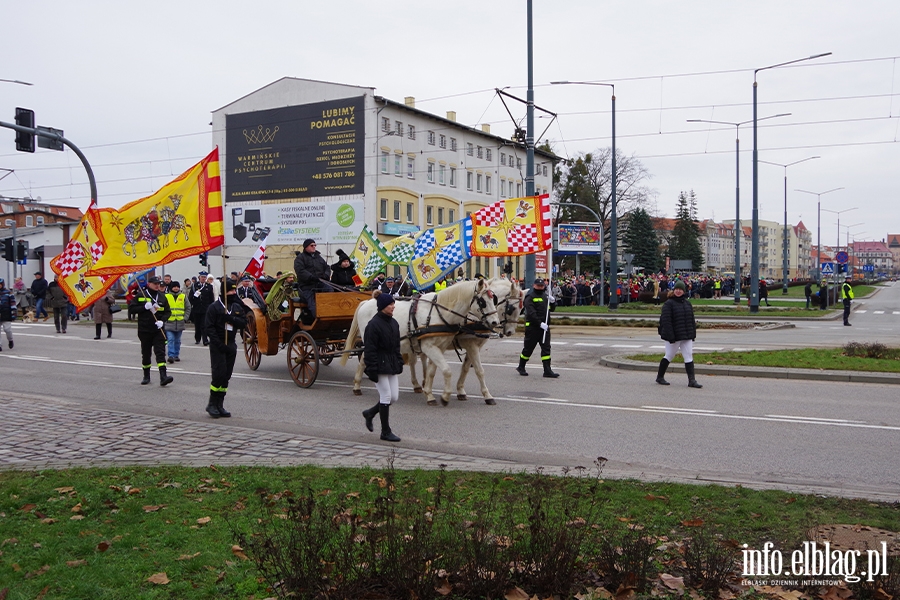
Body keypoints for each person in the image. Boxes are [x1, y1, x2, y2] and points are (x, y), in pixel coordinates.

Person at [361, 291, 403, 442]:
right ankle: (385, 432)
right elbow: (369, 349)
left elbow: (397, 346)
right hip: (379, 364)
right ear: (382, 306)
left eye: (393, 304)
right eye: (390, 304)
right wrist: (371, 368)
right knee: (385, 396)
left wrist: (399, 361)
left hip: (391, 363)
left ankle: (370, 412)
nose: (393, 307)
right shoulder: (373, 325)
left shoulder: (394, 323)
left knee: (394, 397)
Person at [205, 279, 247, 418]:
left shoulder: (235, 307)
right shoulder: (214, 307)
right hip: (218, 345)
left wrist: (230, 319)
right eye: (230, 290)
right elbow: (209, 328)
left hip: (231, 345)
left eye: (234, 290)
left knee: (226, 376)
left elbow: (243, 323)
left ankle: (220, 404)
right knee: (218, 375)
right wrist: (219, 344)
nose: (233, 293)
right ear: (224, 292)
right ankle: (212, 403)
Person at [656, 280, 702, 388]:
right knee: (669, 355)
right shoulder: (669, 304)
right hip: (673, 336)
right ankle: (660, 376)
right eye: (676, 289)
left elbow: (691, 320)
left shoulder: (687, 303)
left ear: (684, 291)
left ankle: (692, 380)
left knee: (688, 355)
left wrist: (693, 334)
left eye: (680, 290)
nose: (678, 291)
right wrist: (670, 336)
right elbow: (666, 321)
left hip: (686, 336)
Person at [130, 276, 174, 386]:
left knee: (160, 352)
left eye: (158, 283)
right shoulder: (141, 295)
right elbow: (131, 309)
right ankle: (146, 376)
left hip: (158, 330)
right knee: (146, 353)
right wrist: (143, 307)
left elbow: (168, 312)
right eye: (155, 283)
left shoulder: (162, 297)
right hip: (144, 330)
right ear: (149, 284)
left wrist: (162, 321)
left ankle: (163, 376)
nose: (157, 285)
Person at [516, 278, 559, 378]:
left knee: (546, 349)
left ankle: (547, 370)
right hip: (533, 328)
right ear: (534, 286)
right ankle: (521, 366)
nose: (540, 287)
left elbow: (550, 310)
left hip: (544, 328)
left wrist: (553, 302)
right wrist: (540, 323)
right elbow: (531, 313)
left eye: (542, 286)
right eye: (538, 286)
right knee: (528, 348)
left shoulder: (545, 296)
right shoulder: (530, 297)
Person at [293, 239, 331, 322]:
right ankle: (318, 320)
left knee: (330, 290)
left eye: (315, 245)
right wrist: (311, 277)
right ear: (306, 247)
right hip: (307, 287)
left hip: (320, 284)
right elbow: (300, 271)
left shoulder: (319, 257)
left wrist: (326, 275)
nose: (314, 247)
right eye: (312, 245)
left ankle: (331, 314)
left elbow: (327, 267)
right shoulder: (300, 258)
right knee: (312, 304)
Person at [164, 281, 191, 362]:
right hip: (169, 322)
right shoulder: (167, 296)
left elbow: (188, 307)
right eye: (174, 287)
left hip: (179, 322)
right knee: (170, 339)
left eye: (177, 287)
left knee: (177, 340)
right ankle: (171, 355)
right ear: (171, 288)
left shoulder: (183, 296)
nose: (176, 288)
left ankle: (176, 355)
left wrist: (185, 318)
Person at [188, 271, 214, 345]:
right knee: (197, 325)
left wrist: (211, 307)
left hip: (205, 309)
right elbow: (190, 298)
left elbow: (211, 298)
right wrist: (194, 298)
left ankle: (205, 340)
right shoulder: (194, 286)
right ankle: (197, 338)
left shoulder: (209, 286)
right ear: (199, 277)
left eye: (204, 277)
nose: (203, 278)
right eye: (202, 277)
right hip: (196, 309)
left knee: (204, 325)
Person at [0, 279, 16, 350]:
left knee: (7, 329)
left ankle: (10, 340)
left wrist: (14, 313)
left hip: (6, 313)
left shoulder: (8, 292)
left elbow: (13, 303)